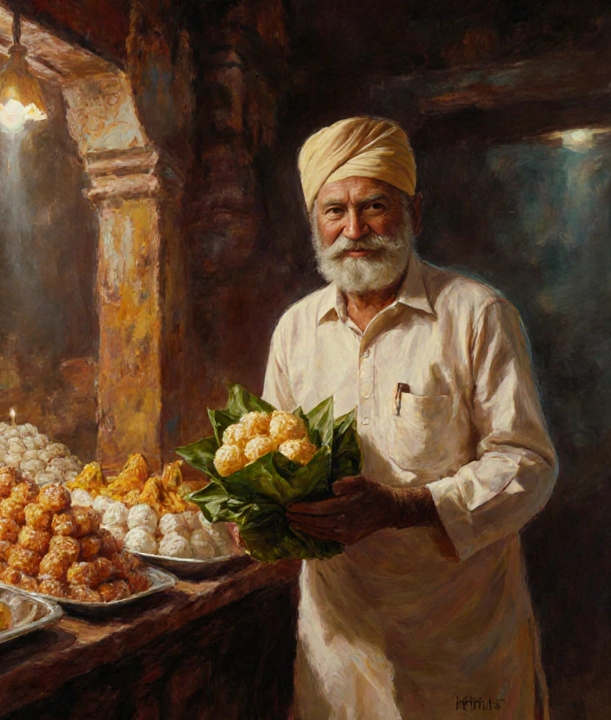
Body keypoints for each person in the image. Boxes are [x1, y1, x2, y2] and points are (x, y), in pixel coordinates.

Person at [263, 116, 557, 719]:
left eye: (375, 206)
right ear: (315, 223)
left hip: (459, 642)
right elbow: (273, 455)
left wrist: (402, 507)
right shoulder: (295, 329)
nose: (354, 230)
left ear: (414, 214)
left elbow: (527, 465)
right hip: (340, 641)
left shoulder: (476, 314)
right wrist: (262, 515)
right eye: (334, 212)